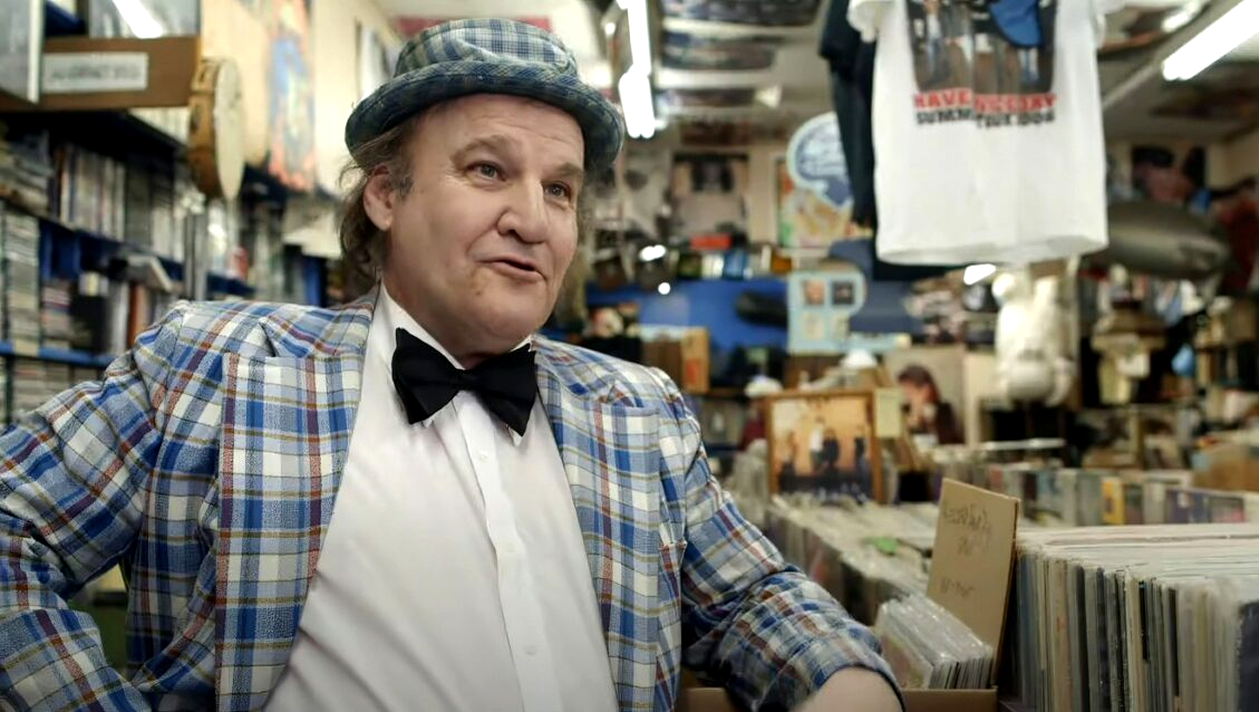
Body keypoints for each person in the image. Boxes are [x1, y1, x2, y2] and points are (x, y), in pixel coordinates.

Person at [0, 19, 901, 712]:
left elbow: (751, 598)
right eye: (487, 171)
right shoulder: (219, 368)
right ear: (385, 194)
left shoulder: (639, 412)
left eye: (559, 188)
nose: (533, 220)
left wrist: (845, 679)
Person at [897, 364, 964, 446]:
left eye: (914, 389)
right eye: (906, 389)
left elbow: (949, 440)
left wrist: (930, 423)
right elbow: (903, 444)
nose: (909, 394)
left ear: (928, 388)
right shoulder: (904, 410)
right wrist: (914, 417)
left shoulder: (944, 409)